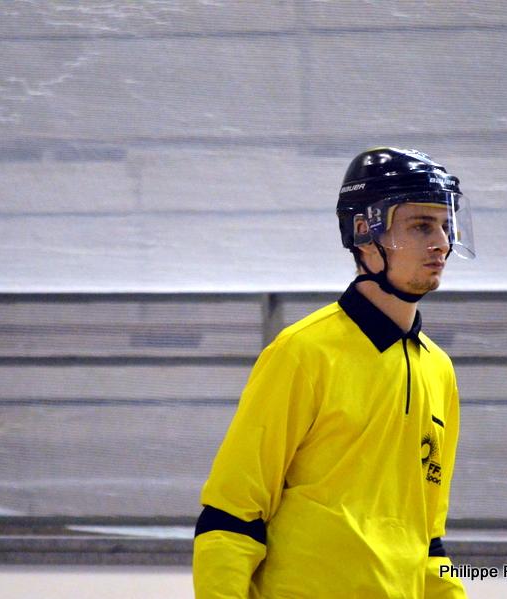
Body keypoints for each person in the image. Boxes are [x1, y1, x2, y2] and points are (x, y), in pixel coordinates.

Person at [193, 147, 475, 598]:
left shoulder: (438, 370)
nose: (441, 242)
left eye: (446, 225)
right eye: (421, 226)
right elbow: (231, 515)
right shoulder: (302, 353)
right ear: (364, 232)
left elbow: (428, 539)